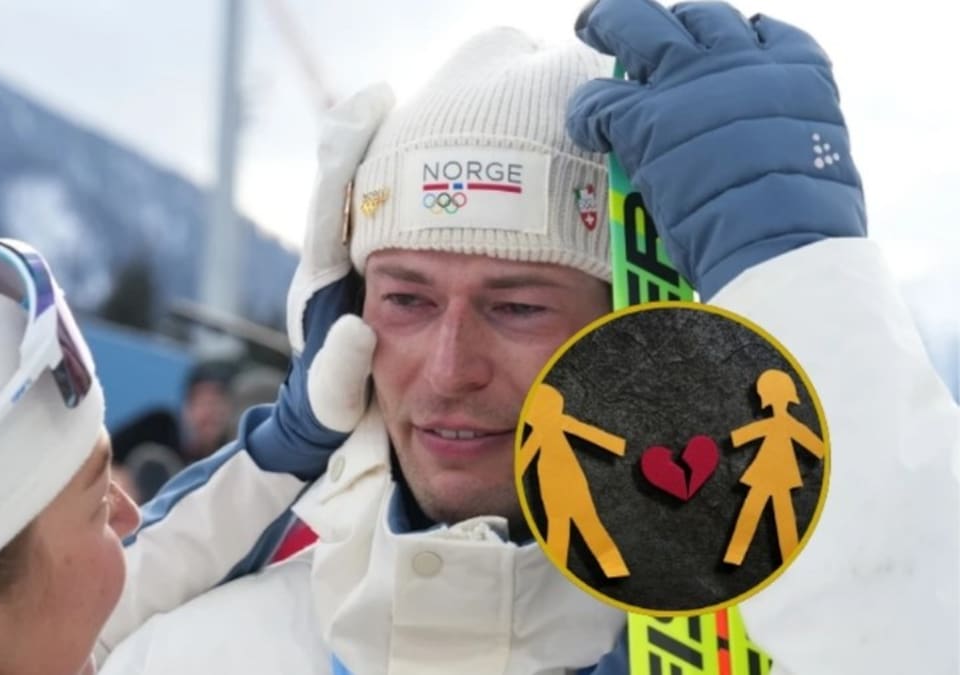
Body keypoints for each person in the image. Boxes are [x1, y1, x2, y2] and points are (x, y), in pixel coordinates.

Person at [97, 1, 959, 673]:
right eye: (407, 300)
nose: (449, 368)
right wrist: (265, 463)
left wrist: (802, 294)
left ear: (633, 331)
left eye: (517, 307)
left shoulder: (775, 641)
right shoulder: (199, 647)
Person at [0, 233, 364, 674]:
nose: (133, 518)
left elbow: (138, 571)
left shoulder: (15, 643)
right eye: (99, 504)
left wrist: (287, 444)